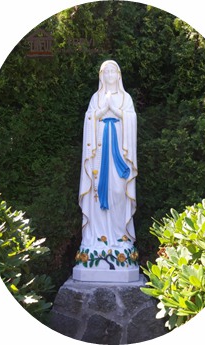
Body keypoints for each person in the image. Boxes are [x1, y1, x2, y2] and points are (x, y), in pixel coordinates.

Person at [74, 60, 139, 282]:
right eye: (106, 71)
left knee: (119, 191)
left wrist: (117, 112)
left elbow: (131, 120)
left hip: (119, 155)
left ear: (118, 75)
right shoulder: (96, 97)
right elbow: (89, 119)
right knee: (97, 194)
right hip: (99, 154)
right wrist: (103, 110)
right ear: (102, 75)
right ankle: (96, 238)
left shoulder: (125, 97)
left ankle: (120, 237)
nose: (110, 74)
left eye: (114, 71)